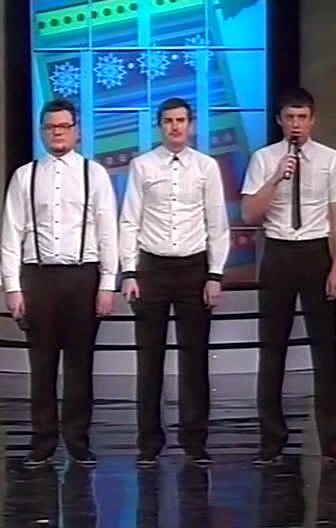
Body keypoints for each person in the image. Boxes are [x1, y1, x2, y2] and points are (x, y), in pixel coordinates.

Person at [241, 87, 336, 468]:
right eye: (290, 117)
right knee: (272, 348)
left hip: (316, 253)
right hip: (278, 253)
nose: (296, 124)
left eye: (302, 117)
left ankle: (332, 441)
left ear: (313, 120)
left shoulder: (330, 159)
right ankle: (272, 440)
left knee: (325, 351)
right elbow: (249, 214)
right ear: (280, 120)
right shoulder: (263, 159)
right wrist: (276, 178)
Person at [1, 98, 118, 469]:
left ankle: (78, 440)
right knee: (42, 363)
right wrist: (12, 287)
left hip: (82, 276)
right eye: (51, 127)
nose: (57, 133)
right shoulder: (25, 176)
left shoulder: (94, 174)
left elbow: (107, 231)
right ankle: (43, 441)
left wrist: (107, 284)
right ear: (41, 131)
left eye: (64, 126)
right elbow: (11, 233)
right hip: (38, 277)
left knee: (80, 363)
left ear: (77, 131)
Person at [118, 97, 230, 468]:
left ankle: (195, 441)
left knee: (194, 359)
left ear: (191, 124)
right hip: (151, 269)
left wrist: (215, 274)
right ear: (160, 125)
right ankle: (149, 442)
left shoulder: (206, 167)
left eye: (181, 120)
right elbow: (129, 220)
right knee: (149, 359)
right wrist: (129, 271)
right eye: (168, 121)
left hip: (194, 270)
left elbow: (217, 224)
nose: (175, 127)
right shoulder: (142, 165)